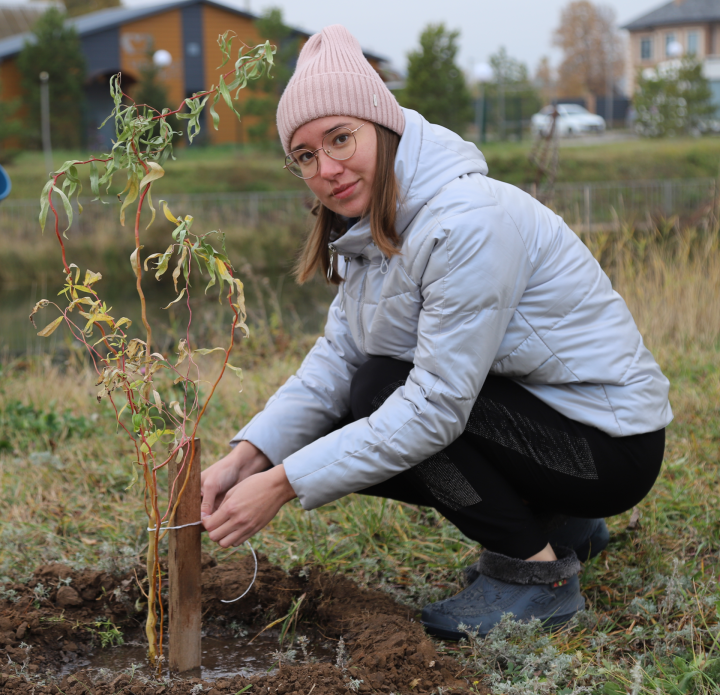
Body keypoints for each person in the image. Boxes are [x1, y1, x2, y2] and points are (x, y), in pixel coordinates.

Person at [200, 25, 672, 639]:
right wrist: (250, 456)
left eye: (341, 138)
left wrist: (283, 483)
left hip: (608, 447)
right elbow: (336, 357)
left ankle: (539, 579)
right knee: (358, 395)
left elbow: (435, 408)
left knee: (378, 396)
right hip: (553, 429)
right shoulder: (368, 225)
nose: (329, 168)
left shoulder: (465, 222)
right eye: (307, 156)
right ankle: (562, 524)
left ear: (383, 126)